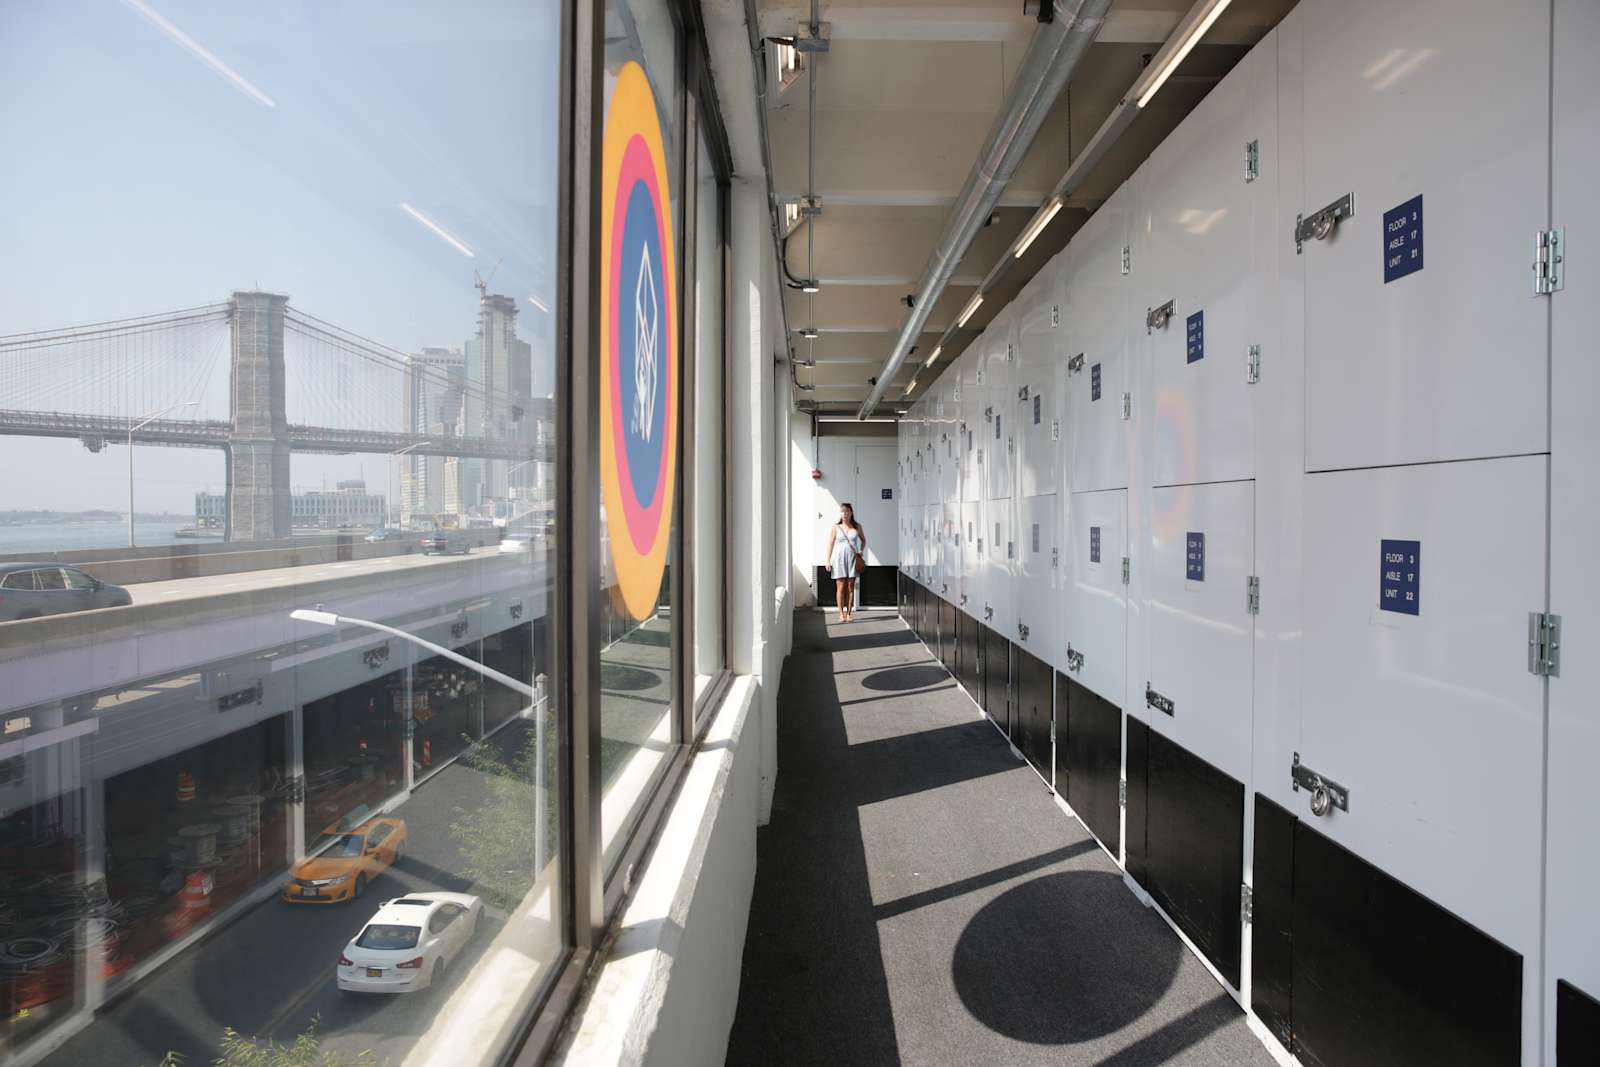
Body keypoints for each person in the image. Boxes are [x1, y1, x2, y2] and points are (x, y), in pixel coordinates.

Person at [824, 503, 866, 622]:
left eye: (847, 511)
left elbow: (863, 540)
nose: (844, 514)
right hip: (839, 560)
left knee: (850, 588)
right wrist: (828, 561)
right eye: (842, 512)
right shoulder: (836, 527)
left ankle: (849, 614)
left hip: (852, 559)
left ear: (851, 513)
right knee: (840, 588)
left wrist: (861, 551)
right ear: (840, 513)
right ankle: (841, 614)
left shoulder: (857, 526)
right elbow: (830, 544)